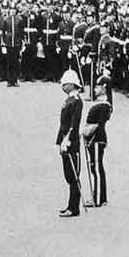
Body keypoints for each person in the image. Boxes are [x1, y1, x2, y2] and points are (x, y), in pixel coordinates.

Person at [82, 75, 112, 207]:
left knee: (97, 168)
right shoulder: (100, 103)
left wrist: (85, 132)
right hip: (94, 139)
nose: (95, 89)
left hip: (96, 139)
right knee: (95, 167)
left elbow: (98, 125)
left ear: (104, 88)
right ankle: (98, 196)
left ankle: (99, 198)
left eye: (97, 87)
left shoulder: (104, 105)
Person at [57, 69, 83, 217]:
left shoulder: (76, 101)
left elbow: (74, 124)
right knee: (68, 175)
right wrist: (59, 140)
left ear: (72, 84)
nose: (63, 86)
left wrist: (67, 140)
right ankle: (70, 205)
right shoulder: (68, 100)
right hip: (64, 140)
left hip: (71, 142)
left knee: (73, 176)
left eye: (66, 84)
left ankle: (74, 207)